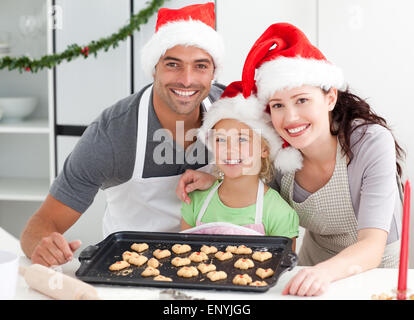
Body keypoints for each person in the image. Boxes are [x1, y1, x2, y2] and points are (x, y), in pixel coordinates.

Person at [176, 23, 405, 296]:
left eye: (302, 100)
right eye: (278, 105)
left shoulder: (370, 142)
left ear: (330, 97)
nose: (290, 118)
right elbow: (250, 184)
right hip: (309, 269)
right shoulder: (280, 152)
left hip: (374, 273)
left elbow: (371, 246)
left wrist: (323, 273)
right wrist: (216, 177)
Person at [20, 3, 226, 267]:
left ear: (213, 73)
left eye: (200, 66)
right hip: (132, 272)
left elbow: (268, 187)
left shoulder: (233, 114)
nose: (187, 80)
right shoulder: (112, 134)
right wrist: (43, 244)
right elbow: (42, 224)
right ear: (154, 68)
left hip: (217, 266)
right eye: (173, 64)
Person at [180, 81, 301, 249]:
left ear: (264, 149)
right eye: (221, 139)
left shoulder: (279, 213)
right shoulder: (195, 202)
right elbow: (183, 257)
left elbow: (282, 270)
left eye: (242, 139)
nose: (230, 150)